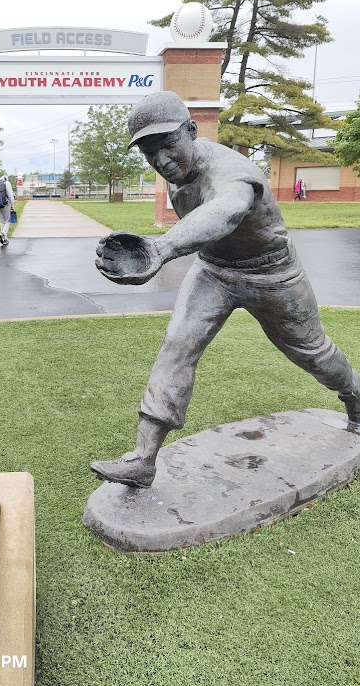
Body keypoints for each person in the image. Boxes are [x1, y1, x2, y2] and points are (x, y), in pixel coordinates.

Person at [91, 91, 360, 489]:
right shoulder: (177, 170)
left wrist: (159, 249)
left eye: (168, 146)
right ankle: (144, 459)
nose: (162, 162)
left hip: (272, 275)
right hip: (214, 271)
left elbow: (225, 210)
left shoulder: (233, 172)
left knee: (312, 353)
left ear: (191, 131)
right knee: (178, 344)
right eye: (151, 155)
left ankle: (354, 394)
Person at [0, 175, 15, 246]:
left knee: (2, 221)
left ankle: (4, 238)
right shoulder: (7, 183)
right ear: (6, 179)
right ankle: (2, 233)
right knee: (8, 220)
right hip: (5, 204)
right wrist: (12, 204)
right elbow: (10, 195)